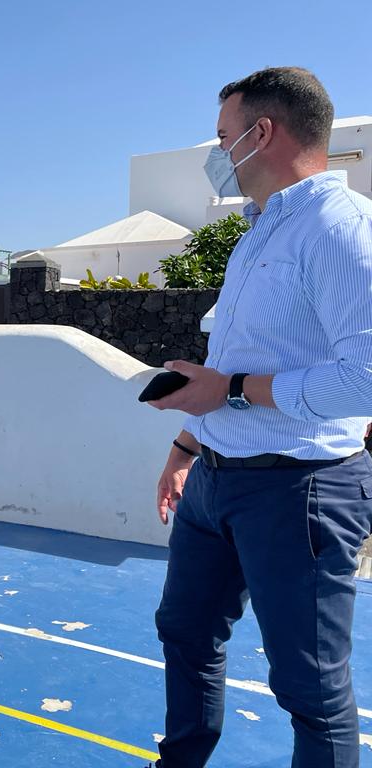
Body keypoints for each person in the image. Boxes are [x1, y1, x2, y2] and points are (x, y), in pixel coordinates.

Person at [147, 67, 372, 767]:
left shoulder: (340, 228)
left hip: (301, 489)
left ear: (262, 133)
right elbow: (239, 364)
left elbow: (364, 377)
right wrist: (187, 444)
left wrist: (234, 390)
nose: (219, 154)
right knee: (184, 632)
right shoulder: (259, 232)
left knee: (309, 684)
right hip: (216, 480)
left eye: (223, 137)